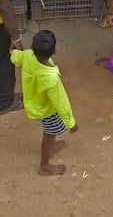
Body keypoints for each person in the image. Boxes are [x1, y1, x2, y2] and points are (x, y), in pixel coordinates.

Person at [11, 30, 79, 176]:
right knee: (49, 134)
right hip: (47, 110)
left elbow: (17, 57)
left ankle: (51, 147)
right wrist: (71, 123)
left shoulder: (29, 55)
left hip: (35, 103)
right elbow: (61, 102)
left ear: (33, 47)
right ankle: (44, 165)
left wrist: (13, 52)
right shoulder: (51, 78)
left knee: (50, 134)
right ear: (54, 51)